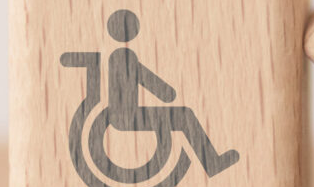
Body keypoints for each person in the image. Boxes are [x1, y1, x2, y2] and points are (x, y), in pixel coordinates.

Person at [102, 10, 239, 177]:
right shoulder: (125, 56)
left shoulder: (117, 56)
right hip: (128, 116)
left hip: (124, 113)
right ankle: (212, 163)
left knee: (184, 116)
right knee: (185, 116)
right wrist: (166, 93)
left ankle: (211, 162)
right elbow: (147, 79)